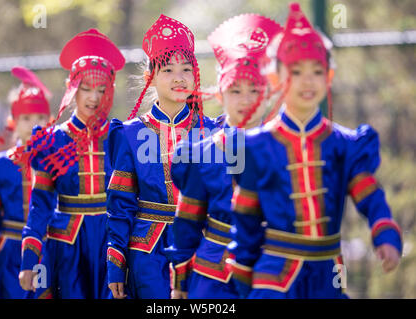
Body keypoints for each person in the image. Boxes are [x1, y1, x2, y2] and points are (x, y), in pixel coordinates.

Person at [228, 3, 402, 299]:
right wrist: (243, 274)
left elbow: (369, 195)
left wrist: (383, 232)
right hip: (275, 274)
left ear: (329, 77)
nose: (307, 80)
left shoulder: (345, 144)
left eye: (317, 71)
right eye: (296, 71)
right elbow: (245, 219)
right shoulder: (256, 146)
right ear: (276, 78)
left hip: (330, 271)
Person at [167, 14, 282, 299]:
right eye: (235, 91)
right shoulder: (201, 153)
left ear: (268, 93)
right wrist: (180, 282)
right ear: (220, 94)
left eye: (254, 90)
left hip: (270, 270)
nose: (245, 100)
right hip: (212, 275)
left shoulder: (284, 149)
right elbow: (188, 221)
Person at [106, 14, 216, 299]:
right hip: (147, 252)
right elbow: (121, 204)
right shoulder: (129, 134)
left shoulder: (214, 132)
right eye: (168, 70)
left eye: (186, 69)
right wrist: (116, 262)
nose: (179, 77)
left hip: (200, 248)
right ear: (150, 77)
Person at [18, 29, 125, 299]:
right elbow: (40, 203)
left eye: (102, 90)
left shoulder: (118, 136)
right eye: (85, 89)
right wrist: (29, 260)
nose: (94, 98)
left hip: (111, 240)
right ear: (72, 89)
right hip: (67, 244)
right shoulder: (51, 140)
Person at [0, 66, 50, 298]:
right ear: (13, 120)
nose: (34, 124)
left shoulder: (58, 163)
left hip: (49, 249)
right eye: (26, 118)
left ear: (50, 119)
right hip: (11, 251)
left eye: (40, 118)